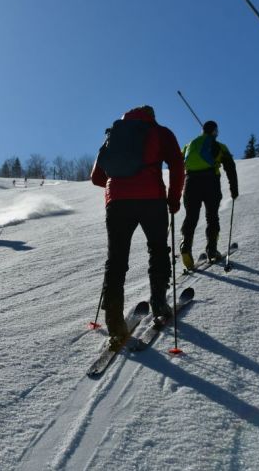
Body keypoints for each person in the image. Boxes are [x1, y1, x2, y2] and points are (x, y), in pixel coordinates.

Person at [91, 105, 184, 349]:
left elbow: (97, 177)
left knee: (116, 260)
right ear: (152, 117)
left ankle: (114, 322)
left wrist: (123, 186)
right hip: (152, 200)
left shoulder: (115, 134)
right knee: (158, 249)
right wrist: (174, 199)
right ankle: (159, 303)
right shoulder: (160, 132)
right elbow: (177, 165)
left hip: (117, 202)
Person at [180, 120, 238, 268]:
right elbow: (230, 167)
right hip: (211, 181)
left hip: (191, 182)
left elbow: (178, 161)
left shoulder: (189, 144)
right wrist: (234, 189)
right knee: (212, 216)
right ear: (215, 131)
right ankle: (212, 250)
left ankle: (186, 247)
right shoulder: (219, 146)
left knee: (191, 216)